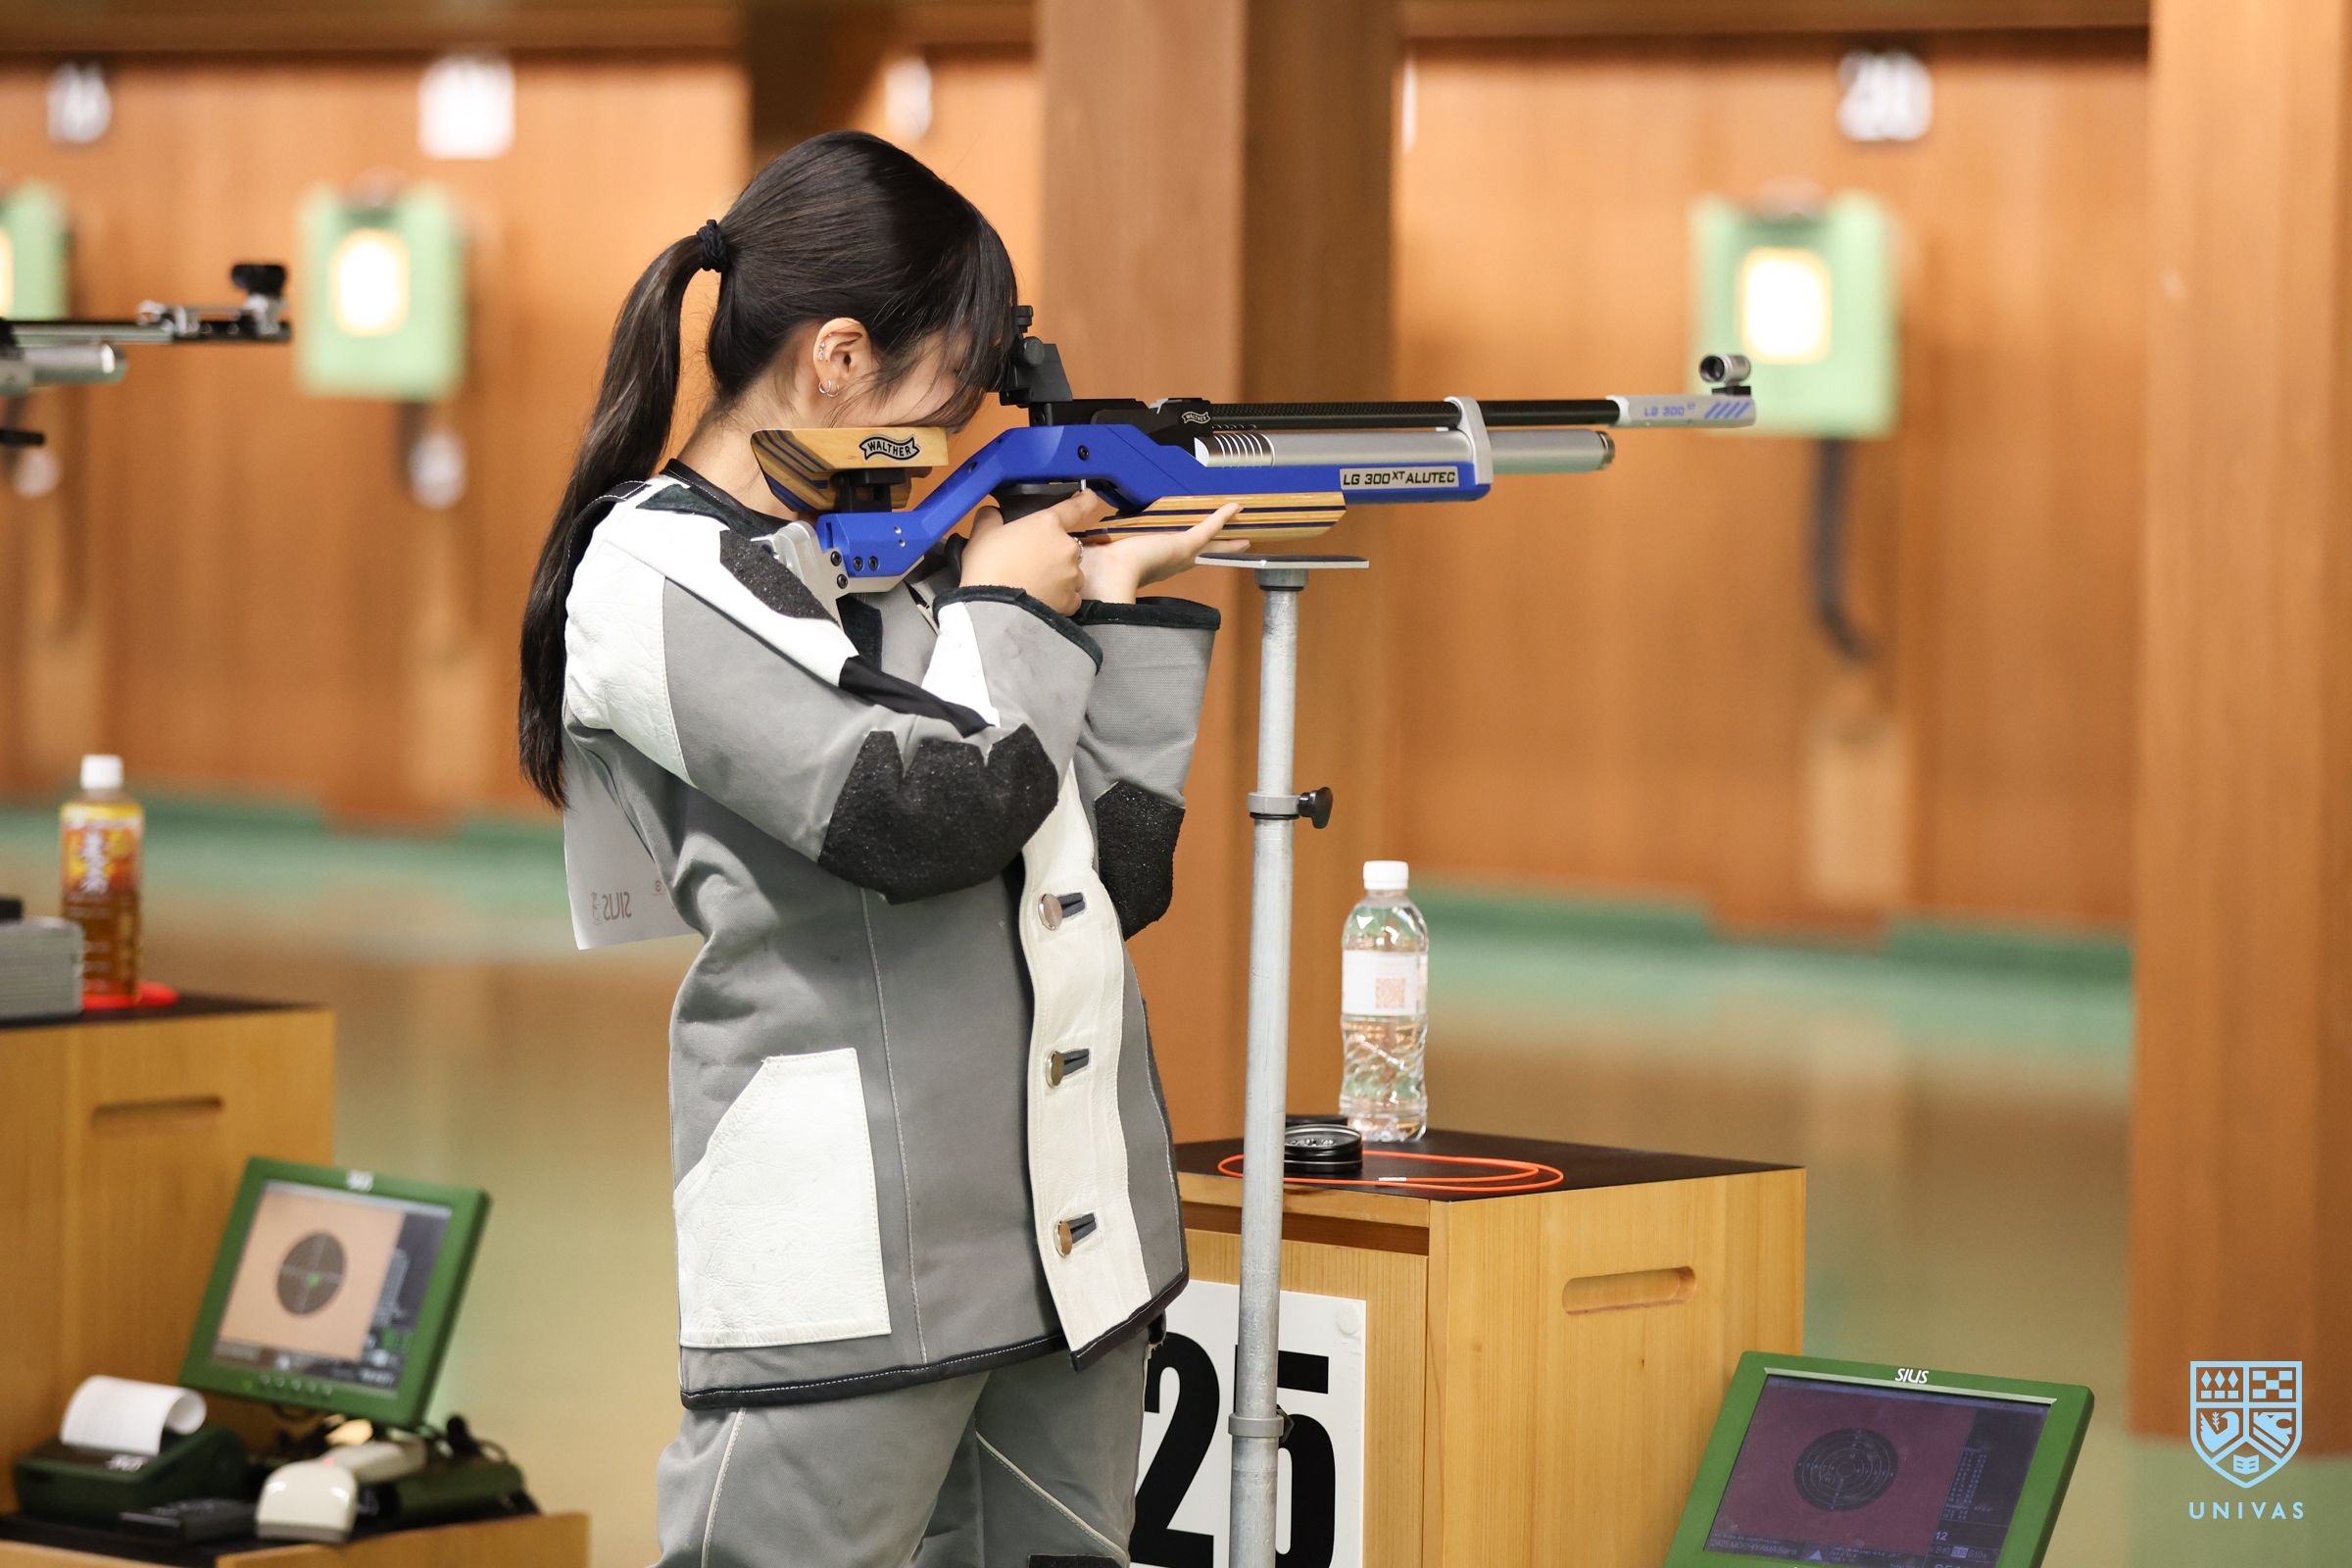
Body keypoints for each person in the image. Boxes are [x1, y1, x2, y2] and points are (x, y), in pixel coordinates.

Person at [515, 130, 1235, 1568]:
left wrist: (1117, 608)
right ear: (839, 357)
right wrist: (1013, 609)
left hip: (1069, 1239)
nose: (957, 438)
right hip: (851, 1261)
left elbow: (1111, 874)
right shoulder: (652, 574)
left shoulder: (905, 556)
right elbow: (919, 818)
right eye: (946, 399)